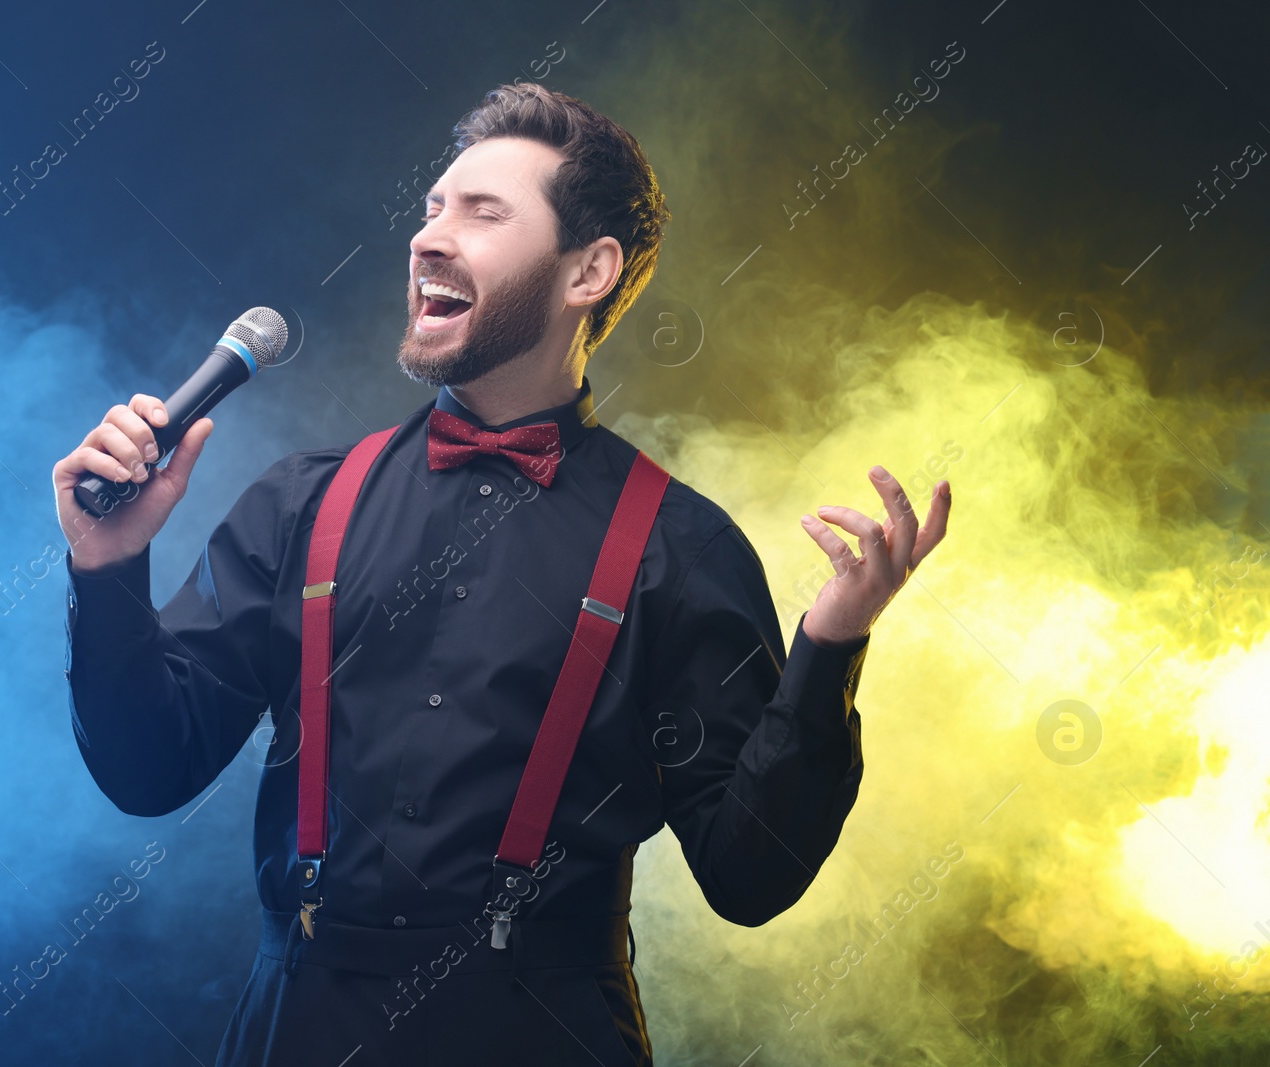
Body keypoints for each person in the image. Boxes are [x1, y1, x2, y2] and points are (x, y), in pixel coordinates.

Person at [52, 82, 950, 1067]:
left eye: (482, 213)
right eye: (432, 208)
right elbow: (147, 769)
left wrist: (830, 648)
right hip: (296, 1028)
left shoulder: (679, 549)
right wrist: (109, 567)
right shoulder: (299, 504)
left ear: (589, 271)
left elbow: (748, 877)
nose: (428, 238)